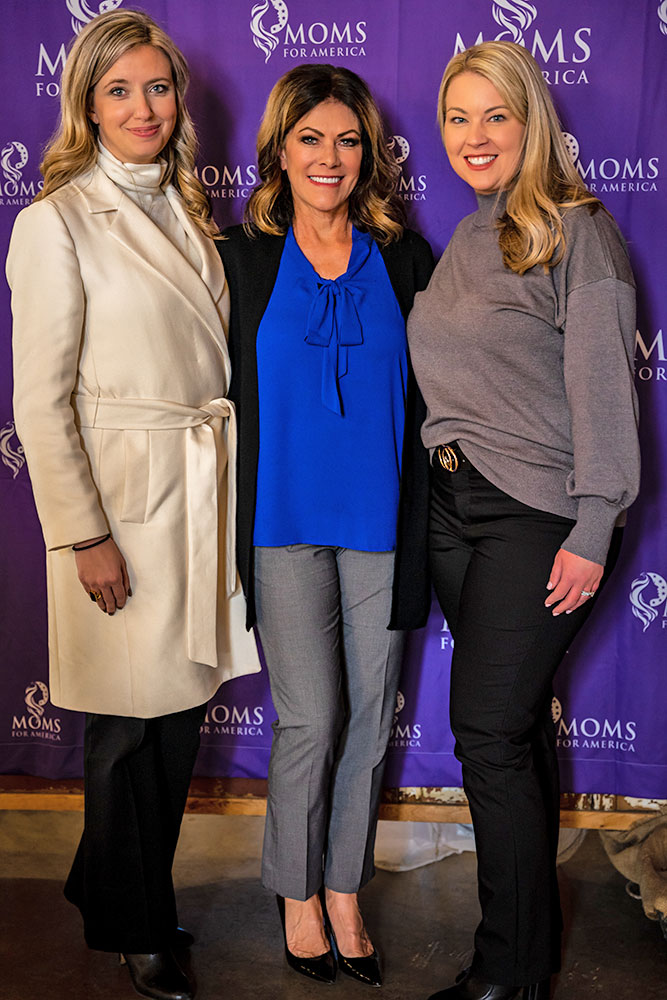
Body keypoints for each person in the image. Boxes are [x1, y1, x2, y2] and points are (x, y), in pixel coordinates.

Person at [6, 11, 259, 1000]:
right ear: (88, 105)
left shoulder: (190, 208)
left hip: (195, 496)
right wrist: (84, 534)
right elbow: (40, 401)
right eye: (120, 90)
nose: (143, 107)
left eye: (157, 87)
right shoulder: (56, 221)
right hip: (120, 503)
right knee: (126, 729)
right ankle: (134, 924)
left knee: (177, 718)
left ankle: (104, 880)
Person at [407, 41, 640, 1000]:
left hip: (536, 513)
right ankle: (530, 957)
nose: (474, 136)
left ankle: (503, 972)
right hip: (451, 510)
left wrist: (593, 526)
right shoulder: (468, 236)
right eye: (457, 117)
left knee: (488, 734)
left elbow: (603, 390)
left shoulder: (577, 230)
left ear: (530, 121)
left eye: (494, 115)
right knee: (515, 732)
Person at [218, 63, 433, 988]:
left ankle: (344, 888)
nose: (329, 157)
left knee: (370, 722)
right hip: (281, 525)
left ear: (368, 155)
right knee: (310, 719)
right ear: (280, 148)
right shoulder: (240, 257)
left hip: (382, 523)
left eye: (347, 140)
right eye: (310, 138)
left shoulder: (406, 258)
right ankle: (295, 893)